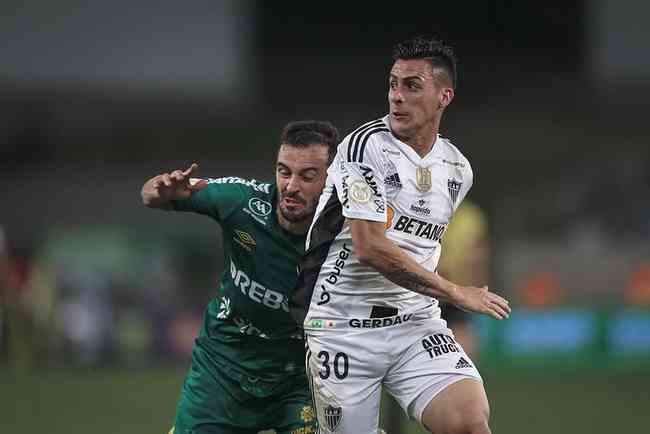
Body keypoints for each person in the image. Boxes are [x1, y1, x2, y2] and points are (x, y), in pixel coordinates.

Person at [291, 36, 511, 434]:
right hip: (343, 327)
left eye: (412, 86)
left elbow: (421, 247)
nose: (397, 97)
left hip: (416, 324)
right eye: (393, 84)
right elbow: (370, 247)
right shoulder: (365, 147)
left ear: (444, 96)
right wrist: (456, 292)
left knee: (469, 421)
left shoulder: (458, 169)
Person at [141, 120, 339, 434]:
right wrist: (160, 189)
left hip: (302, 381)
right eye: (284, 171)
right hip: (223, 370)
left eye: (308, 176)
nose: (290, 186)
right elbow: (151, 195)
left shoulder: (350, 233)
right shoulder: (241, 202)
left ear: (332, 178)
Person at [438, 200, 490, 359]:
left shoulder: (470, 215)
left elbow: (479, 251)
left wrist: (480, 281)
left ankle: (465, 372)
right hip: (432, 286)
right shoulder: (433, 208)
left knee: (464, 336)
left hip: (460, 287)